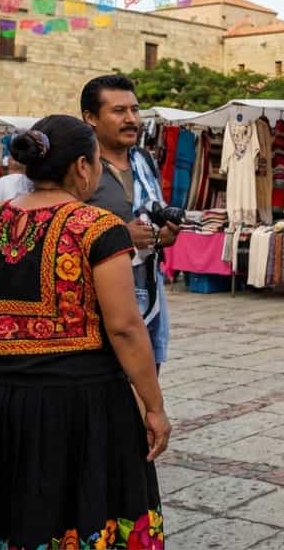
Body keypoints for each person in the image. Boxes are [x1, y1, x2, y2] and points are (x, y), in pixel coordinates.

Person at [0, 116, 168, 548]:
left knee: (0, 514)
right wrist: (154, 406)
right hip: (80, 405)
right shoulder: (98, 227)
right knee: (80, 512)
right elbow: (125, 327)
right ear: (83, 166)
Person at [81, 75, 178, 369]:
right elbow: (61, 228)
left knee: (145, 379)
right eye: (119, 111)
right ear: (91, 118)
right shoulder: (79, 166)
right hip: (96, 305)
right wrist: (121, 235)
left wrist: (162, 235)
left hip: (147, 293)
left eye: (134, 110)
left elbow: (151, 216)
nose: (131, 119)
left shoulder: (144, 160)